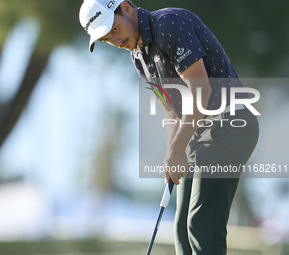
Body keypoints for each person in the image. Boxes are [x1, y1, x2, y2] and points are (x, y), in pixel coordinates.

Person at [79, 0, 260, 254]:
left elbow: (201, 93)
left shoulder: (169, 24)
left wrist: (178, 148)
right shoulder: (138, 57)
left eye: (115, 30)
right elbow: (169, 107)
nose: (116, 41)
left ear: (127, 8)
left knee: (202, 225)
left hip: (230, 125)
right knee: (182, 230)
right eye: (107, 39)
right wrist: (171, 151)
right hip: (200, 135)